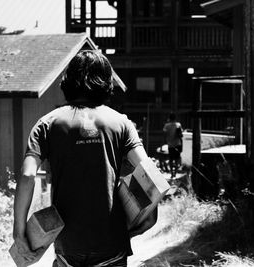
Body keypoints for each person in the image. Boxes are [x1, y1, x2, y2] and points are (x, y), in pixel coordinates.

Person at [13, 50, 157, 267]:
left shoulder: (47, 124)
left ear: (68, 80)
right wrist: (146, 218)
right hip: (111, 244)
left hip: (69, 246)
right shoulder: (121, 123)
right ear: (106, 81)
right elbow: (149, 174)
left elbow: (27, 175)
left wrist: (19, 231)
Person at [163, 112, 183, 178]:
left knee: (171, 159)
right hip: (178, 144)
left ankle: (172, 173)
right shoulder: (178, 124)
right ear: (175, 118)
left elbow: (164, 134)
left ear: (169, 118)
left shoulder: (167, 125)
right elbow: (181, 134)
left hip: (170, 145)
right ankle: (175, 173)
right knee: (177, 159)